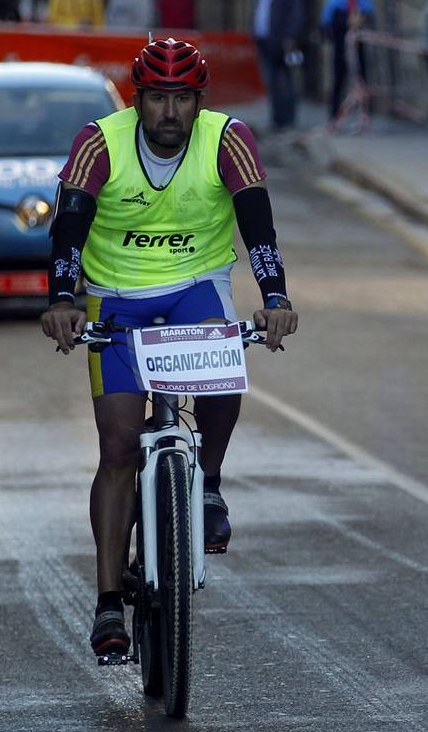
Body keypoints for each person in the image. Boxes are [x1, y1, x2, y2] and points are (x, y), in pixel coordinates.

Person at [38, 38, 299, 657]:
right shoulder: (98, 143)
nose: (171, 113)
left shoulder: (227, 139)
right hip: (115, 296)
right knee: (119, 445)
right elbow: (67, 226)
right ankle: (107, 605)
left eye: (183, 99)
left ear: (199, 101)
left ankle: (206, 483)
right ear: (139, 100)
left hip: (194, 288)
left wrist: (276, 298)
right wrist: (62, 300)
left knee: (227, 363)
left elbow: (256, 223)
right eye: (158, 99)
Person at [252, 0, 306, 132]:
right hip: (263, 40)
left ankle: (287, 119)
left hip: (281, 43)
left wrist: (290, 37)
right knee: (271, 82)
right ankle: (276, 118)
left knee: (284, 81)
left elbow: (295, 14)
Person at [320, 0, 377, 121]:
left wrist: (362, 21)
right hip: (341, 47)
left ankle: (364, 113)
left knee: (362, 79)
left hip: (359, 48)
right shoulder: (336, 0)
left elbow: (371, 17)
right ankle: (334, 115)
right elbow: (326, 24)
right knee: (339, 80)